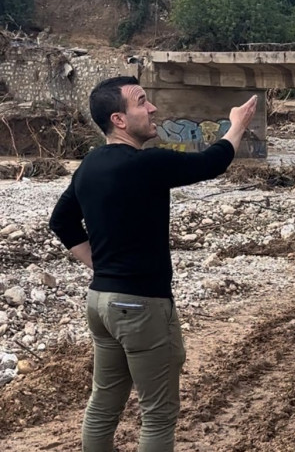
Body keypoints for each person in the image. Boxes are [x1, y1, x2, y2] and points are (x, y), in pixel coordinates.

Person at [49, 76, 258, 452]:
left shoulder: (89, 165)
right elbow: (212, 162)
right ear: (119, 120)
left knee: (103, 403)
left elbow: (61, 222)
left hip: (100, 304)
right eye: (142, 102)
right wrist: (237, 124)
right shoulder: (148, 164)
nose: (153, 108)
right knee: (158, 413)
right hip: (140, 305)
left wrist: (100, 268)